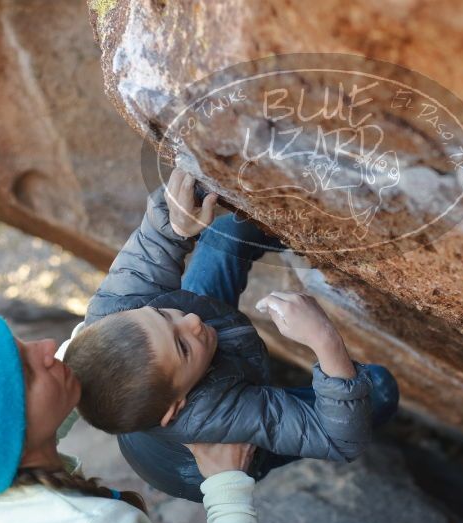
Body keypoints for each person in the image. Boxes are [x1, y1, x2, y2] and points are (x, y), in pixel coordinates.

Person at [64, 168, 400, 501]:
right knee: (379, 388)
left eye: (163, 312)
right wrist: (324, 342)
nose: (192, 321)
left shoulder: (114, 314)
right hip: (194, 469)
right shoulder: (217, 416)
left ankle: (325, 230)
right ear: (176, 405)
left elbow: (148, 254)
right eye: (182, 346)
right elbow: (339, 440)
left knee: (228, 234)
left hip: (156, 412)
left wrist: (175, 226)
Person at [0, 314, 259, 523]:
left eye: (18, 344)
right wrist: (226, 489)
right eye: (28, 371)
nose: (47, 346)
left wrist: (91, 350)